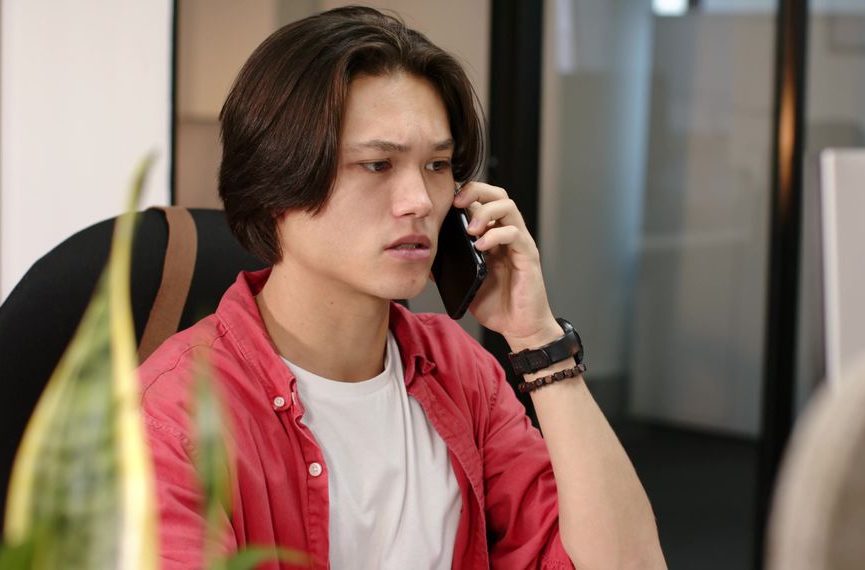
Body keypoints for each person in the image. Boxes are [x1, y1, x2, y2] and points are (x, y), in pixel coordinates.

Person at [139, 6, 664, 569]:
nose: (419, 200)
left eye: (438, 165)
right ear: (277, 184)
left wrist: (537, 339)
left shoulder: (459, 371)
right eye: (377, 165)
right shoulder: (172, 421)